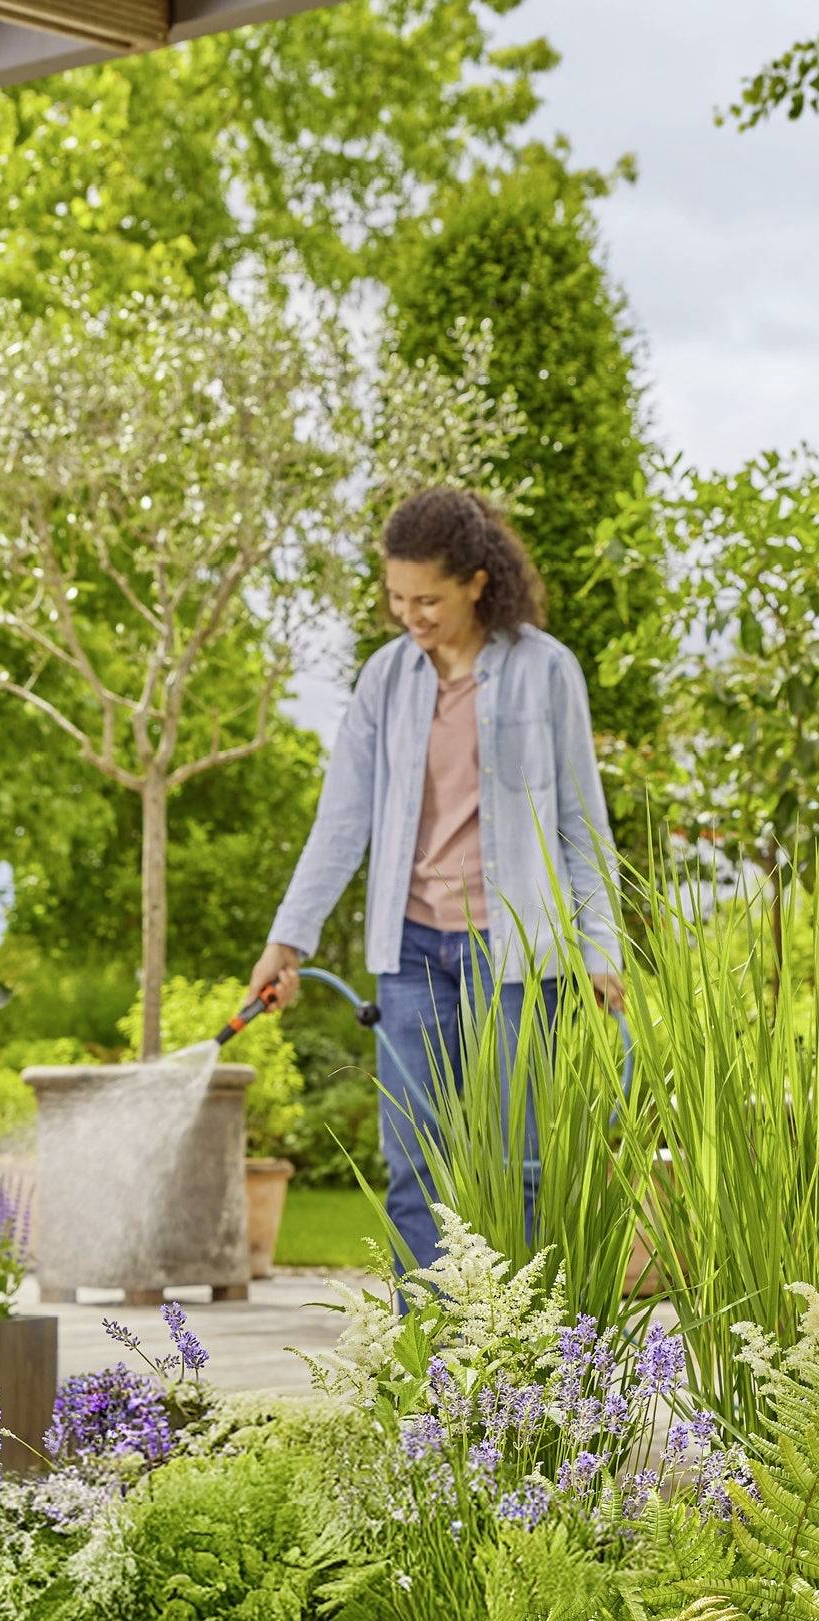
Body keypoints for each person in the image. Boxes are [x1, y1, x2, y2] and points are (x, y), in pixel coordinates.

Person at [247, 486, 625, 1273]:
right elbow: (342, 821)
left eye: (429, 599)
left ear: (477, 583)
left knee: (525, 1167)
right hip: (413, 952)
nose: (410, 615)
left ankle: (524, 1371)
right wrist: (289, 941)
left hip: (517, 958)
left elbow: (581, 822)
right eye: (396, 598)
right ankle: (434, 1368)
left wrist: (601, 947)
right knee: (414, 1168)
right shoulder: (385, 681)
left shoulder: (546, 671)